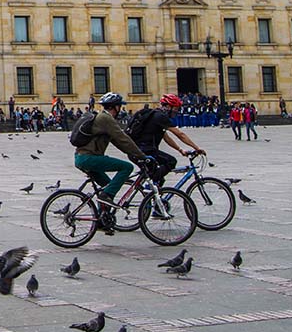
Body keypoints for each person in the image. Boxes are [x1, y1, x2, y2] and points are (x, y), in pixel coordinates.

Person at [72, 92, 149, 234]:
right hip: (89, 158)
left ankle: (102, 221)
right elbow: (122, 138)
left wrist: (133, 153)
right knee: (126, 167)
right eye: (119, 106)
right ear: (116, 107)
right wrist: (142, 156)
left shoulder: (102, 118)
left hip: (82, 158)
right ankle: (105, 197)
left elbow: (118, 142)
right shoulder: (106, 118)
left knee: (107, 186)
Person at [127, 94, 205, 184]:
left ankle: (151, 194)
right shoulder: (160, 116)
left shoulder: (154, 115)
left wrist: (180, 150)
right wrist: (197, 148)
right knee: (171, 161)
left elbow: (166, 137)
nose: (176, 111)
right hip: (144, 151)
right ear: (168, 106)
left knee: (159, 178)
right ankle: (149, 187)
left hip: (137, 150)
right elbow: (180, 134)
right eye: (175, 108)